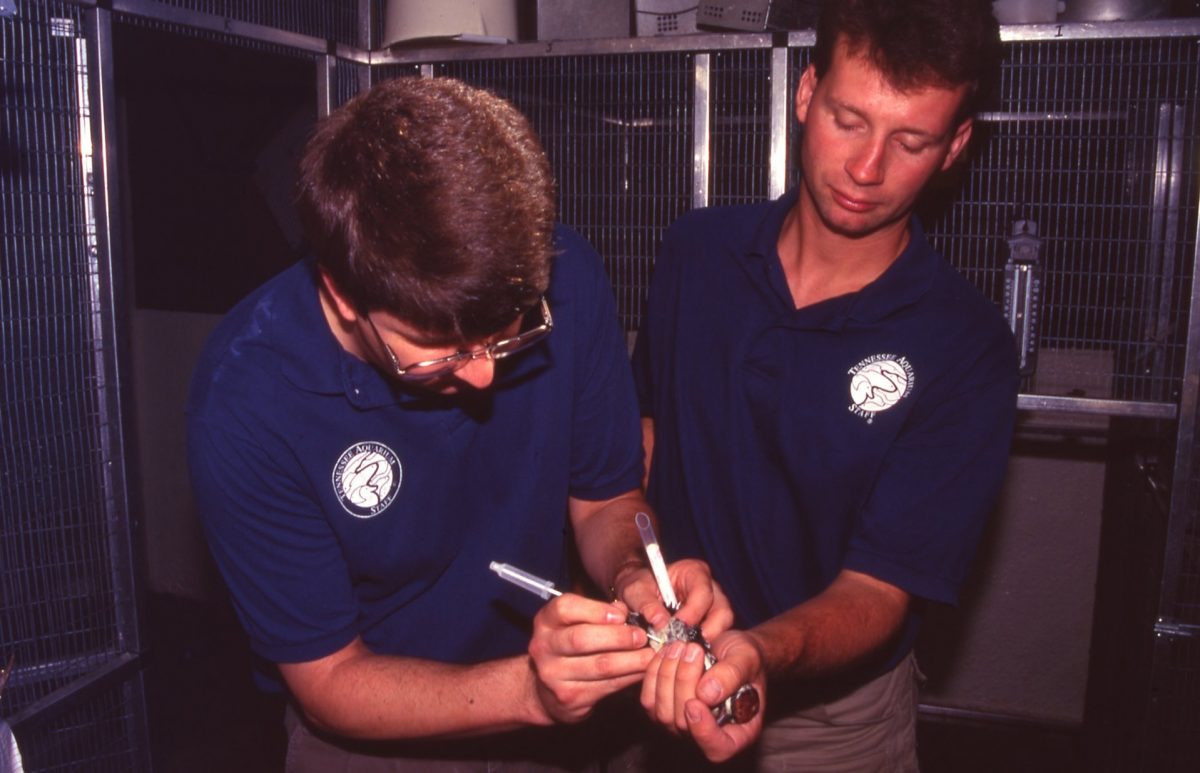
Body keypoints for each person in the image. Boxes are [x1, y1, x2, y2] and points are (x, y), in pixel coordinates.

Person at [186, 76, 728, 772]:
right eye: (438, 351)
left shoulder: (569, 282)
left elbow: (605, 501)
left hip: (560, 718)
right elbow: (328, 679)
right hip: (376, 726)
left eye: (509, 334)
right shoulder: (247, 396)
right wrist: (530, 689)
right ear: (344, 294)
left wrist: (631, 574)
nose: (483, 376)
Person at [630, 0, 1018, 769]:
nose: (868, 170)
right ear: (806, 95)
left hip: (830, 724)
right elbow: (645, 442)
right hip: (658, 673)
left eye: (911, 141)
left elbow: (880, 591)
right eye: (848, 120)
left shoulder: (965, 345)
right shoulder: (696, 253)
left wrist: (757, 652)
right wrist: (625, 578)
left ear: (955, 147)